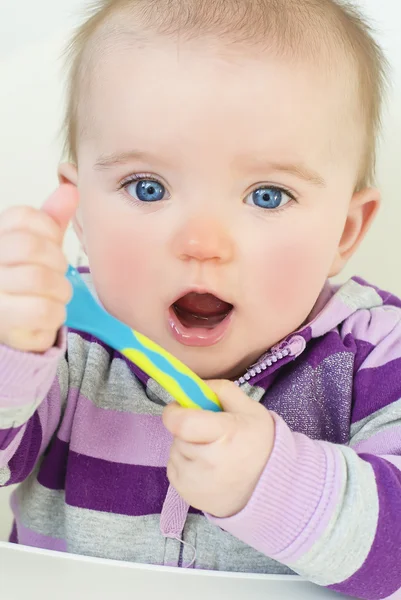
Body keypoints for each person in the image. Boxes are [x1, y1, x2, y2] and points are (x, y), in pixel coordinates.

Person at [0, 1, 399, 598]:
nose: (201, 244)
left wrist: (273, 483)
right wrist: (14, 347)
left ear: (344, 231)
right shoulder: (67, 343)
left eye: (267, 196)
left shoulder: (373, 354)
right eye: (148, 187)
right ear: (81, 210)